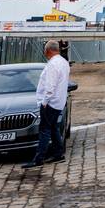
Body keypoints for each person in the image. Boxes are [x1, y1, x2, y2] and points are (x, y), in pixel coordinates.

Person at [22, 40, 70, 169]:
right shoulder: (64, 62)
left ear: (48, 51)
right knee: (53, 128)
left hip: (51, 102)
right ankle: (58, 154)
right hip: (59, 101)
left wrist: (44, 102)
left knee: (44, 130)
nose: (44, 52)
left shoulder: (53, 65)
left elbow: (50, 86)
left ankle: (38, 158)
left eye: (44, 50)